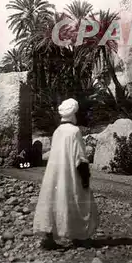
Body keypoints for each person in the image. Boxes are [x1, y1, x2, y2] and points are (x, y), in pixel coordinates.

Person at [33, 98, 98, 249]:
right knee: (78, 200)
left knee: (55, 200)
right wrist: (85, 178)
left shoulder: (57, 131)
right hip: (71, 173)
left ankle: (50, 236)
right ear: (73, 114)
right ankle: (79, 236)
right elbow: (80, 157)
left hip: (55, 173)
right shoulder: (74, 131)